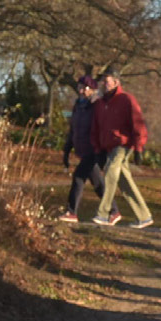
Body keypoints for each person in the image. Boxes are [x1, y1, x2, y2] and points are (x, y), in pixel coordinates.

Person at [90, 71, 154, 228]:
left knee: (111, 171)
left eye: (107, 81)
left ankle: (104, 214)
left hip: (123, 144)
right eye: (103, 81)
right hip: (109, 146)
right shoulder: (100, 104)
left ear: (116, 82)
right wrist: (97, 149)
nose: (104, 84)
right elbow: (96, 128)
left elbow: (138, 123)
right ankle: (144, 216)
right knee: (124, 181)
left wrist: (139, 148)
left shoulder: (126, 99)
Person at [58, 75, 106, 224]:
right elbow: (73, 129)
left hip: (93, 149)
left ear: (92, 90)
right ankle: (113, 210)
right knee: (98, 184)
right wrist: (67, 150)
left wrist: (102, 150)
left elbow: (101, 128)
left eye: (85, 88)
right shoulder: (78, 106)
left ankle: (72, 212)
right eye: (80, 87)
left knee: (78, 177)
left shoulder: (97, 105)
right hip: (83, 148)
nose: (82, 91)